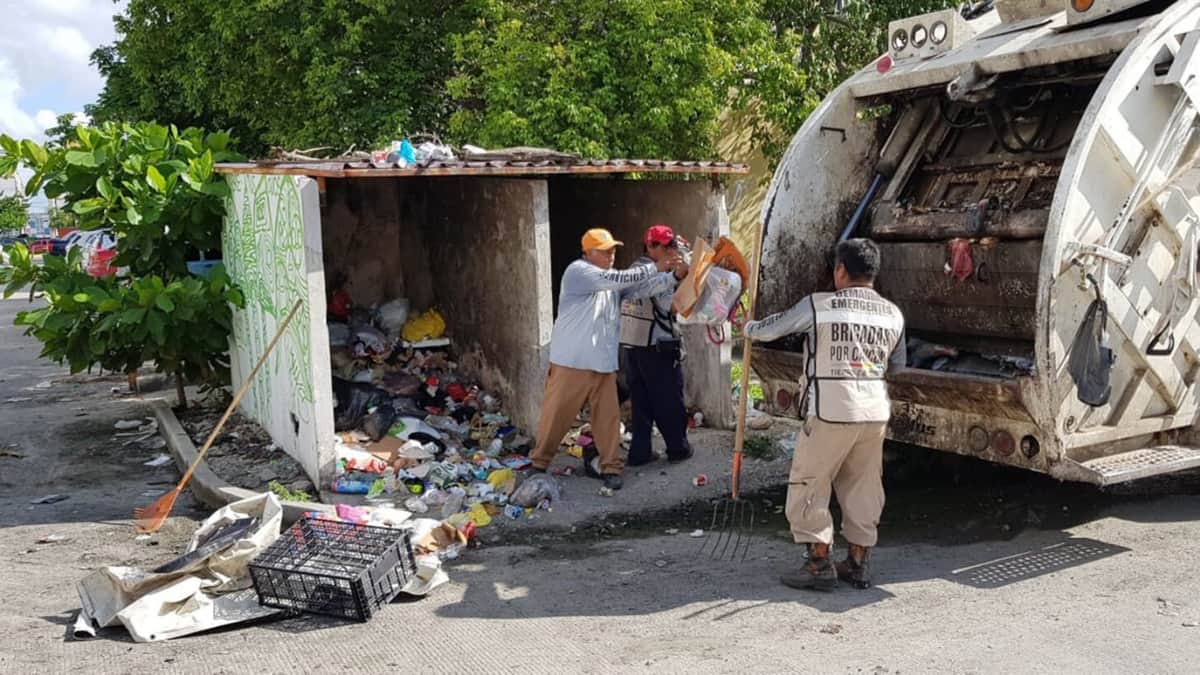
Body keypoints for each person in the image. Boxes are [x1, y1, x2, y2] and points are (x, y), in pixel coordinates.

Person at [743, 238, 905, 591]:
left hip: (831, 411)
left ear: (841, 270)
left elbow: (773, 329)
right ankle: (858, 563)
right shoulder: (894, 314)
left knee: (810, 482)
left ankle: (818, 562)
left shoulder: (819, 305)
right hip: (875, 411)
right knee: (864, 485)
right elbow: (898, 364)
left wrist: (747, 327)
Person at [529, 228, 687, 491]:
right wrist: (657, 266)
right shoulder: (579, 272)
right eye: (605, 251)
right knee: (556, 417)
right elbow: (622, 278)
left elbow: (640, 288)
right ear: (588, 252)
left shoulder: (611, 283)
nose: (611, 255)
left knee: (608, 421)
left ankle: (610, 467)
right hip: (572, 363)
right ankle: (539, 463)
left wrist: (671, 277)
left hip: (602, 364)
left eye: (613, 250)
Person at [619, 224, 694, 465]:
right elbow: (668, 306)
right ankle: (678, 448)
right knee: (669, 401)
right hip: (656, 348)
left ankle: (639, 454)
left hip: (633, 348)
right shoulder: (652, 272)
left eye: (674, 245)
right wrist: (684, 280)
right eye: (668, 245)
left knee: (641, 404)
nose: (672, 250)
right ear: (651, 247)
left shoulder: (636, 269)